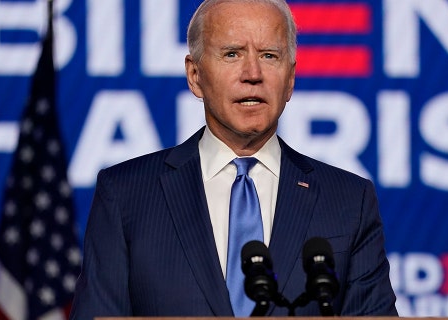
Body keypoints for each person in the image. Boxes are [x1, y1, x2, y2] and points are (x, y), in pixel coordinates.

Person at [69, 0, 398, 318]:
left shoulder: (348, 200)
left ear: (290, 79)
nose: (253, 73)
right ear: (195, 75)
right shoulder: (127, 194)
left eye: (269, 55)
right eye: (232, 54)